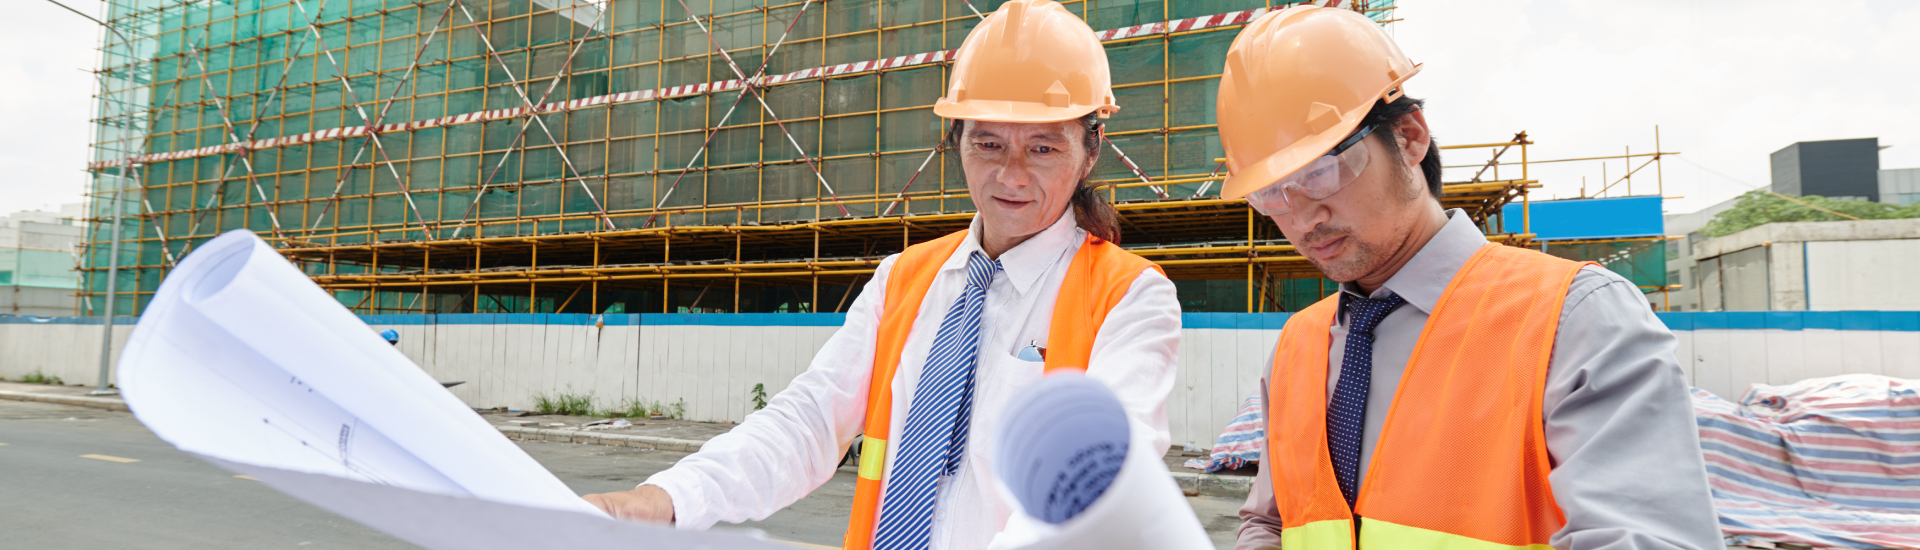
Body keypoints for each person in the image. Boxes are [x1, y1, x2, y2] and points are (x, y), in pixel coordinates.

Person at [582, 2, 1182, 548]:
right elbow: (809, 421)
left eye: (1044, 148)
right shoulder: (904, 278)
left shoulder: (1130, 299)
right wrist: (661, 502)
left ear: (1090, 148)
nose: (1012, 177)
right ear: (956, 140)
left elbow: (1098, 493)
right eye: (989, 144)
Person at [1215, 6, 1720, 549]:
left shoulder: (1572, 319)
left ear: (1409, 138)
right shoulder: (1299, 346)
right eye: (1271, 193)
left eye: (1321, 171)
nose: (1302, 217)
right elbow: (1271, 522)